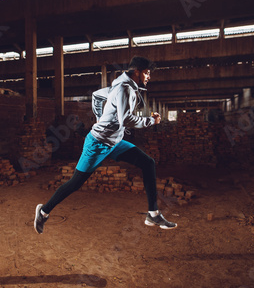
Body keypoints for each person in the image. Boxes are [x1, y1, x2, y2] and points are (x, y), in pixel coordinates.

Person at [34, 56, 177, 234]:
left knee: (148, 163)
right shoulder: (124, 88)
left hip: (114, 142)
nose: (149, 77)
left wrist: (100, 118)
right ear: (137, 72)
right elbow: (125, 119)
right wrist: (150, 121)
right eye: (147, 73)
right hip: (97, 143)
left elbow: (96, 96)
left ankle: (153, 214)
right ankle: (44, 211)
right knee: (75, 183)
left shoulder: (120, 86)